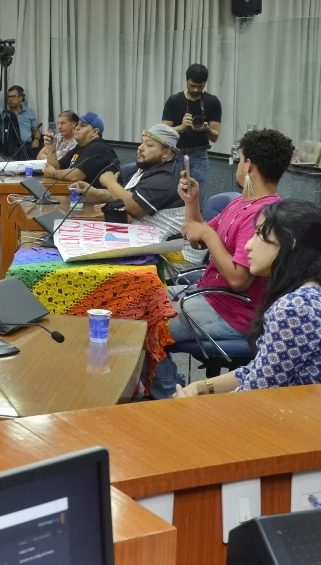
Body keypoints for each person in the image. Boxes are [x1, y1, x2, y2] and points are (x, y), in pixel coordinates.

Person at [151, 128, 295, 399]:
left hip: (233, 311)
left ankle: (170, 398)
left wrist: (207, 234)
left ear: (248, 165)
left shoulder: (263, 214)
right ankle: (166, 386)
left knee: (145, 324)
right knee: (140, 299)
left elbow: (239, 279)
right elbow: (197, 239)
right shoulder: (241, 203)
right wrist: (192, 202)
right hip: (211, 295)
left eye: (240, 160)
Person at [173, 200, 321, 397]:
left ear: (289, 245)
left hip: (290, 412)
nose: (248, 246)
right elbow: (261, 370)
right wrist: (203, 386)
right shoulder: (320, 286)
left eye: (259, 235)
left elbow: (254, 394)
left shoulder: (295, 309)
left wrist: (196, 405)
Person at [72, 124, 184, 238]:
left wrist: (110, 183)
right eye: (141, 142)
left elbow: (135, 207)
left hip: (162, 245)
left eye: (149, 145)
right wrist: (96, 192)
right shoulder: (144, 168)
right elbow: (126, 196)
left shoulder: (166, 175)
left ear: (166, 153)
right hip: (138, 234)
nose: (140, 148)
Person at [162, 63, 222, 196]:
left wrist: (206, 130)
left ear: (205, 83)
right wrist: (181, 127)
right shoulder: (174, 101)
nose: (195, 89)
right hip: (176, 154)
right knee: (173, 196)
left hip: (199, 156)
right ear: (186, 80)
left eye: (199, 86)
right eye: (192, 85)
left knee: (196, 197)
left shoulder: (212, 102)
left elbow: (215, 137)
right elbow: (163, 135)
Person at [42, 111, 115, 184]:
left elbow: (76, 175)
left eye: (82, 125)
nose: (76, 128)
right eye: (77, 125)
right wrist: (51, 148)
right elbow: (56, 167)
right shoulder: (80, 147)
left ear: (95, 132)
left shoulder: (98, 147)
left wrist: (53, 173)